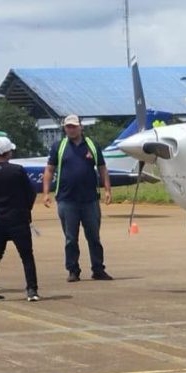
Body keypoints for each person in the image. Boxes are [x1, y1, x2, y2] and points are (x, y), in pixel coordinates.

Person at [42, 114, 113, 282]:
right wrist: (46, 193)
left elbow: (102, 168)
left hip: (90, 200)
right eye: (68, 127)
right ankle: (73, 270)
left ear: (81, 127)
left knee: (94, 237)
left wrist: (107, 190)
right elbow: (50, 170)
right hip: (67, 200)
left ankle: (98, 269)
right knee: (70, 238)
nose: (71, 129)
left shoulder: (92, 146)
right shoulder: (59, 146)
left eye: (74, 126)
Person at [0, 137, 39, 302]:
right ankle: (32, 290)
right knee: (26, 255)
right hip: (18, 218)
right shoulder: (17, 170)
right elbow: (30, 192)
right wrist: (26, 208)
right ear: (7, 152)